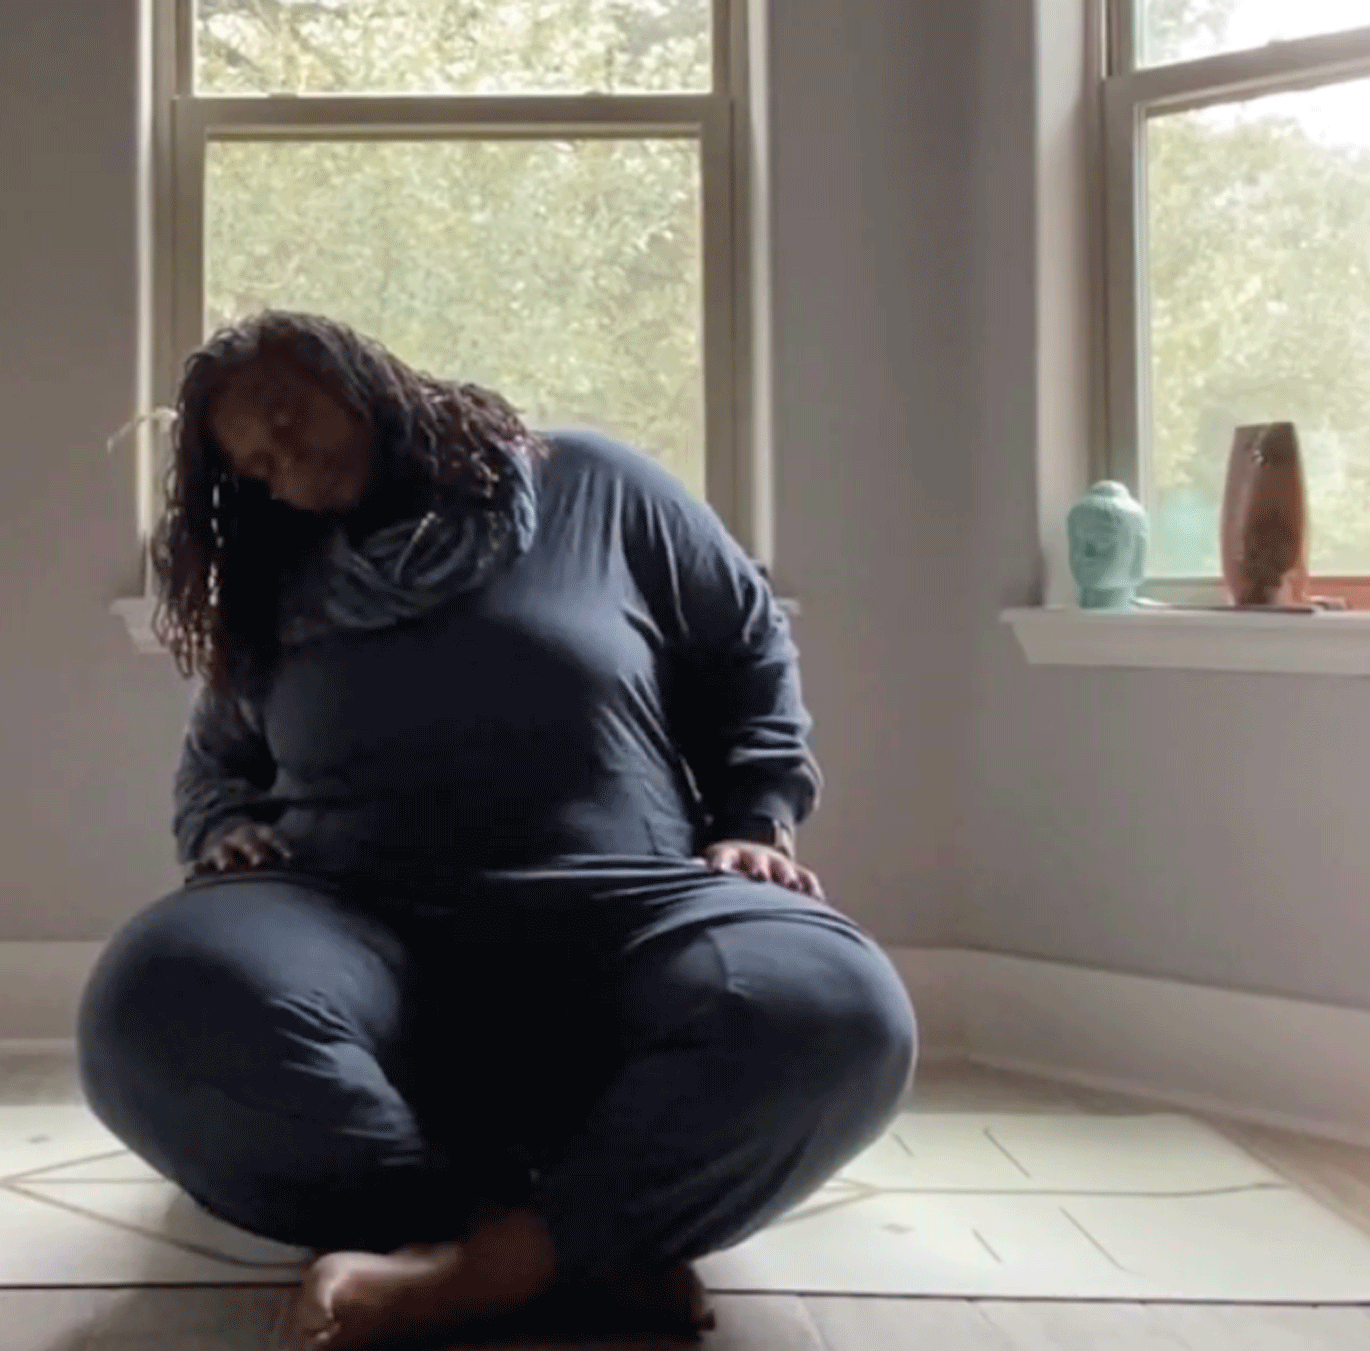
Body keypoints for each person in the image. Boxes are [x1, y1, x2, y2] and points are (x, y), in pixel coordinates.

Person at [77, 312, 916, 1351]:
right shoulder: (278, 573)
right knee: (151, 1006)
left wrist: (755, 815)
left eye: (287, 418)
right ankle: (582, 1235)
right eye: (253, 462)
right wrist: (227, 824)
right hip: (347, 912)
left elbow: (745, 645)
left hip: (626, 901)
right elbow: (219, 755)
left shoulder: (597, 484)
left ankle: (473, 1266)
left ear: (366, 376)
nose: (280, 460)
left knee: (839, 1006)